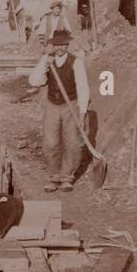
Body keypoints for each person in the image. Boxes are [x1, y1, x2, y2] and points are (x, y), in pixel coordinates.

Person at [27, 29, 91, 193]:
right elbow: (34, 81)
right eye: (57, 44)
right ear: (52, 46)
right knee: (50, 142)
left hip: (71, 104)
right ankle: (53, 176)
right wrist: (44, 61)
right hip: (52, 104)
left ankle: (67, 177)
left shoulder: (75, 62)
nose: (60, 47)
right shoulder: (48, 62)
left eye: (63, 44)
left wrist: (82, 112)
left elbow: (83, 88)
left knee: (72, 142)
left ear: (67, 45)